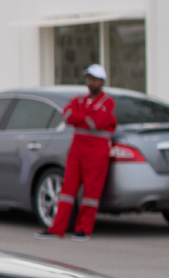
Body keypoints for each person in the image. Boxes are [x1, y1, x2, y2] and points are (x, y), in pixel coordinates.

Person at [40, 63, 116, 241]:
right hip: (77, 151)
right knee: (66, 191)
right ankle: (56, 229)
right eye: (89, 79)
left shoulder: (107, 102)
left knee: (91, 194)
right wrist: (84, 117)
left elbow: (96, 122)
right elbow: (66, 116)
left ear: (101, 81)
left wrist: (80, 117)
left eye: (94, 79)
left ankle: (83, 230)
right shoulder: (79, 100)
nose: (90, 82)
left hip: (96, 154)